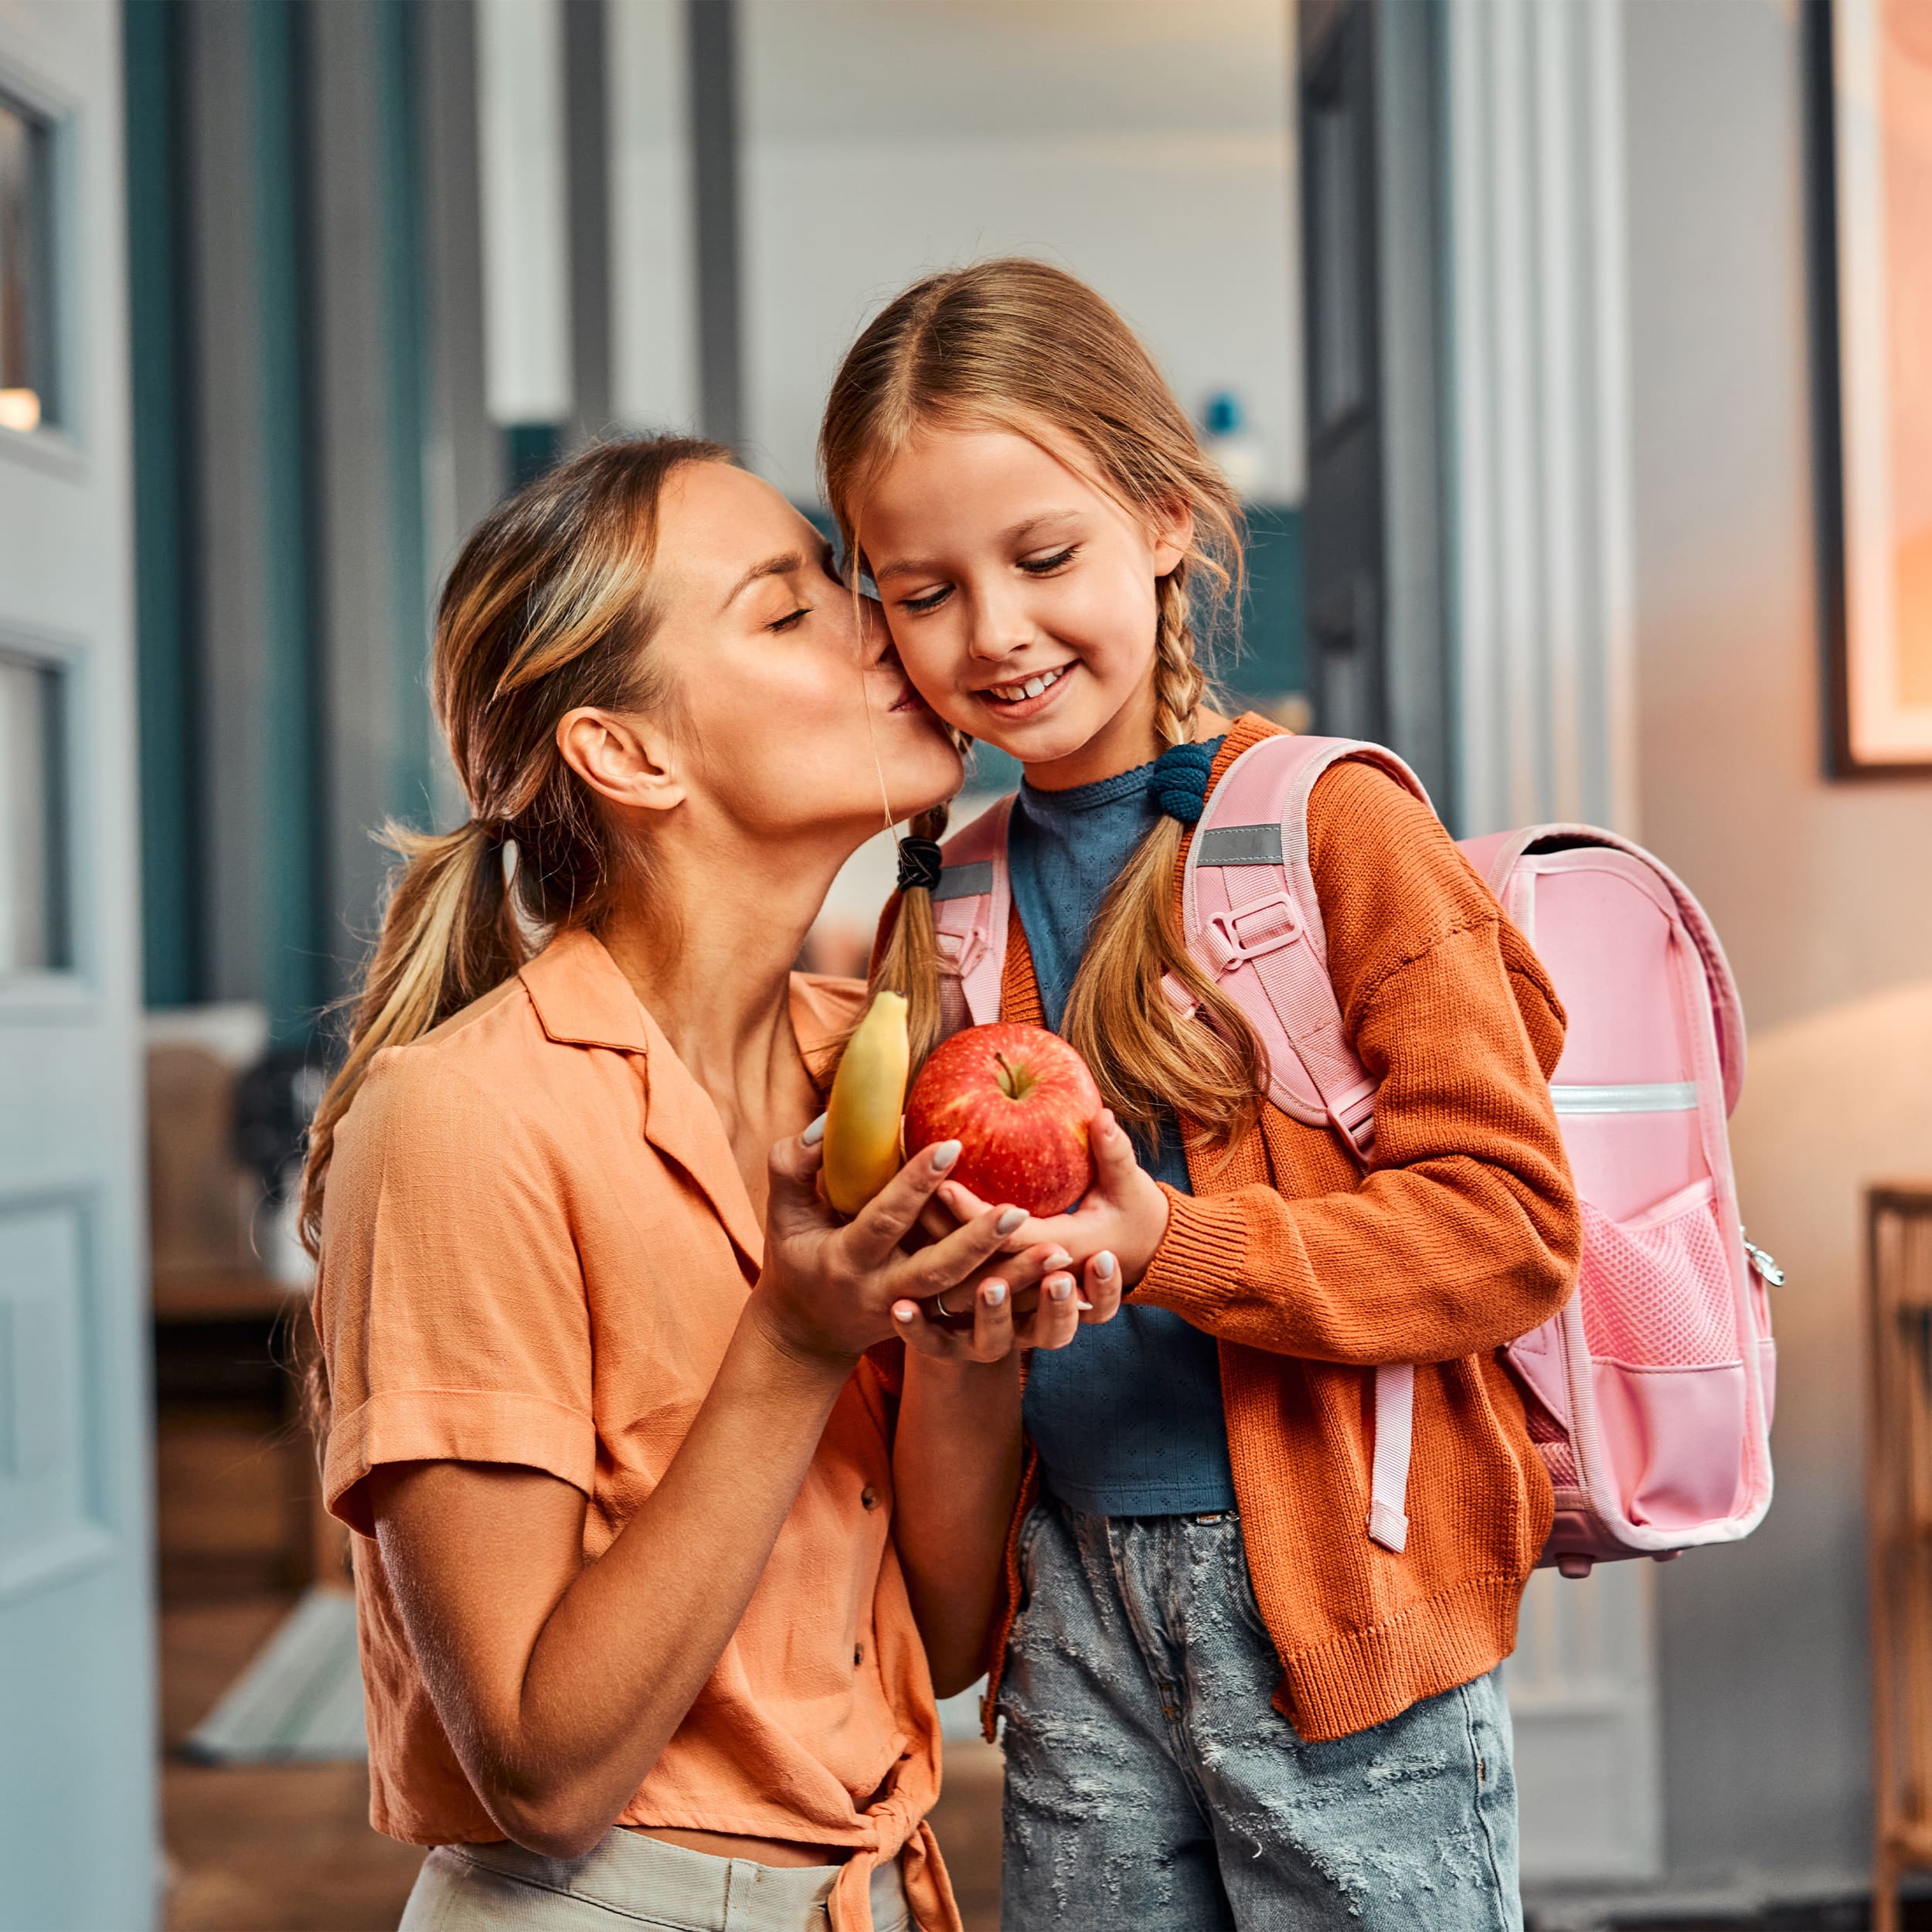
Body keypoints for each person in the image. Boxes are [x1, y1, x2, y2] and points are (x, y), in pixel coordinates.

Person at [819, 260, 1583, 1930]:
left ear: (1163, 519)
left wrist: (1168, 1236)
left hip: (1336, 1604)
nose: (994, 633)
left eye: (1041, 557)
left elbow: (1511, 1228)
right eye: (920, 589)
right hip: (1070, 1605)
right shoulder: (937, 898)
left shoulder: (1328, 828)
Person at [299, 436, 1122, 1932]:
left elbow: (927, 1642)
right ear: (629, 753)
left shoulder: (875, 1064)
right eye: (789, 604)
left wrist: (966, 1347)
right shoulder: (461, 1122)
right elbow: (540, 1771)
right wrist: (794, 1340)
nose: (886, 620)